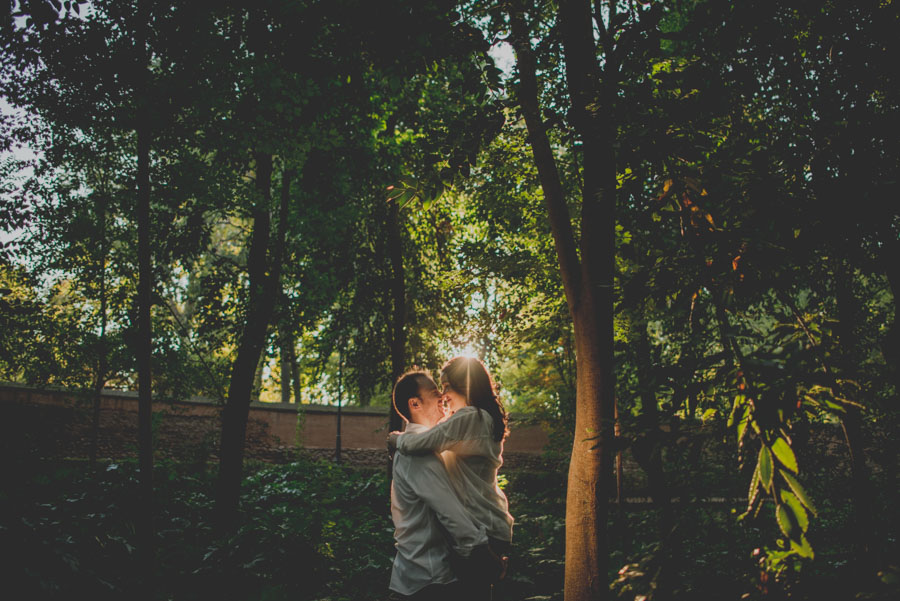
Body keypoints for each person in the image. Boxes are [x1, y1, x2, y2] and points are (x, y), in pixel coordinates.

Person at [389, 356, 514, 600]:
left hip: (480, 533)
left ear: (464, 386)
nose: (442, 396)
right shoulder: (423, 452)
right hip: (429, 576)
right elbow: (451, 512)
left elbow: (429, 440)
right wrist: (483, 554)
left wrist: (396, 439)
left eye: (445, 387)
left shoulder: (468, 419)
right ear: (415, 404)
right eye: (437, 390)